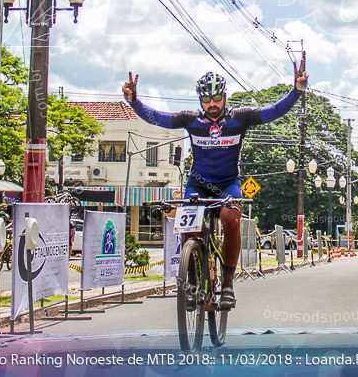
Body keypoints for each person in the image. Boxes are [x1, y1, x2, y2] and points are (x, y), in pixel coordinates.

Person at [123, 63, 308, 309]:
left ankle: (228, 283)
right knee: (187, 225)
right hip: (198, 184)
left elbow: (272, 111)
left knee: (231, 219)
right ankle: (191, 281)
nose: (212, 103)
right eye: (207, 99)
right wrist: (134, 101)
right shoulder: (191, 120)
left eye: (217, 98)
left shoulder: (239, 117)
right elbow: (160, 118)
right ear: (200, 99)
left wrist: (296, 91)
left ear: (225, 96)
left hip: (228, 183)